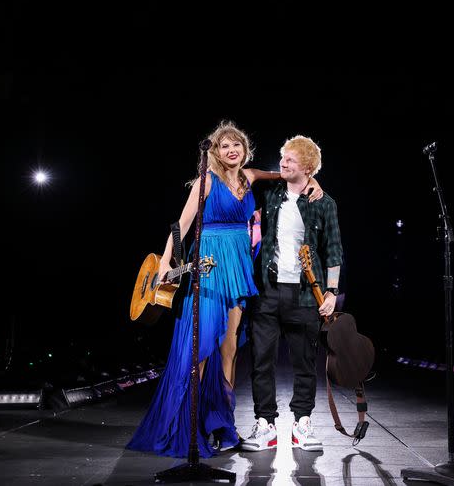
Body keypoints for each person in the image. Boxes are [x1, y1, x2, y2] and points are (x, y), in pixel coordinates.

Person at [127, 120, 321, 458]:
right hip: (211, 263)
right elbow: (183, 223)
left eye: (237, 145)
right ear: (215, 151)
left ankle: (221, 424)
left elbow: (286, 176)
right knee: (201, 348)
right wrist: (165, 262)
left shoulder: (251, 176)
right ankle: (190, 425)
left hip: (239, 264)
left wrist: (312, 180)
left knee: (230, 347)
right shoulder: (206, 181)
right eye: (224, 146)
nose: (231, 151)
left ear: (245, 150)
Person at [241, 135, 342, 452]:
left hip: (304, 294)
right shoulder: (271, 194)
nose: (283, 163)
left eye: (291, 160)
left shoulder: (324, 203)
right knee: (262, 361)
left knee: (305, 362)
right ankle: (265, 425)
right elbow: (247, 174)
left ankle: (302, 424)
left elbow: (334, 250)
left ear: (309, 167)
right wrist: (293, 175)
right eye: (282, 157)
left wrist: (331, 292)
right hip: (268, 290)